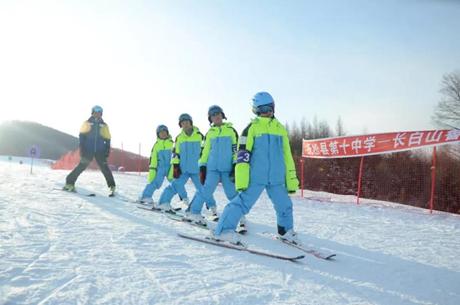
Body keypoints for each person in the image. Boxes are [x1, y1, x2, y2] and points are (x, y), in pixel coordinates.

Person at [213, 92, 300, 244]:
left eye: (269, 108)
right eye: (262, 109)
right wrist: (241, 179)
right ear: (256, 111)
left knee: (285, 205)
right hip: (256, 176)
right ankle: (224, 231)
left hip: (277, 177)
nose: (266, 112)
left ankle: (285, 231)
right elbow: (243, 155)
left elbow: (287, 156)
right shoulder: (251, 129)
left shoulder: (280, 129)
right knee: (241, 203)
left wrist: (291, 179)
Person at [185, 105, 243, 225]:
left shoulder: (231, 131)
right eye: (213, 115)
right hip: (212, 169)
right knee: (205, 190)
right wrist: (202, 166)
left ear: (222, 115)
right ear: (210, 119)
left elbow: (235, 150)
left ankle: (239, 215)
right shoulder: (209, 133)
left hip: (228, 169)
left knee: (232, 193)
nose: (216, 116)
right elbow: (204, 152)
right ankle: (193, 212)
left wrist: (235, 165)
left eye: (218, 113)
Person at [63, 105, 116, 195]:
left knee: (105, 168)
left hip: (100, 150)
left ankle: (112, 186)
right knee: (81, 166)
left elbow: (107, 138)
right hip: (88, 149)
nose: (97, 114)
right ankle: (69, 182)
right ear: (92, 113)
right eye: (96, 112)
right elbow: (82, 136)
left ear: (101, 114)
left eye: (99, 112)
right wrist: (82, 148)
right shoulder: (87, 123)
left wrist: (107, 149)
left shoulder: (104, 125)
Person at [157, 113, 204, 211]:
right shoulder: (179, 138)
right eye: (182, 123)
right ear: (180, 125)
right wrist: (176, 166)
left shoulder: (200, 136)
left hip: (197, 169)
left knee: (203, 189)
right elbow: (175, 153)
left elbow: (205, 152)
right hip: (183, 169)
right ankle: (163, 203)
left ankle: (212, 209)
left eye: (187, 122)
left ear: (190, 122)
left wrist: (205, 167)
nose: (185, 124)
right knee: (175, 185)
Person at [138, 125, 174, 204]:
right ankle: (145, 196)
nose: (163, 134)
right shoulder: (156, 145)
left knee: (175, 183)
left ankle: (165, 201)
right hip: (160, 168)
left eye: (164, 132)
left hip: (171, 167)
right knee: (155, 182)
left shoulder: (172, 144)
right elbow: (153, 159)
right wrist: (152, 169)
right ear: (158, 135)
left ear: (167, 133)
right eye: (161, 133)